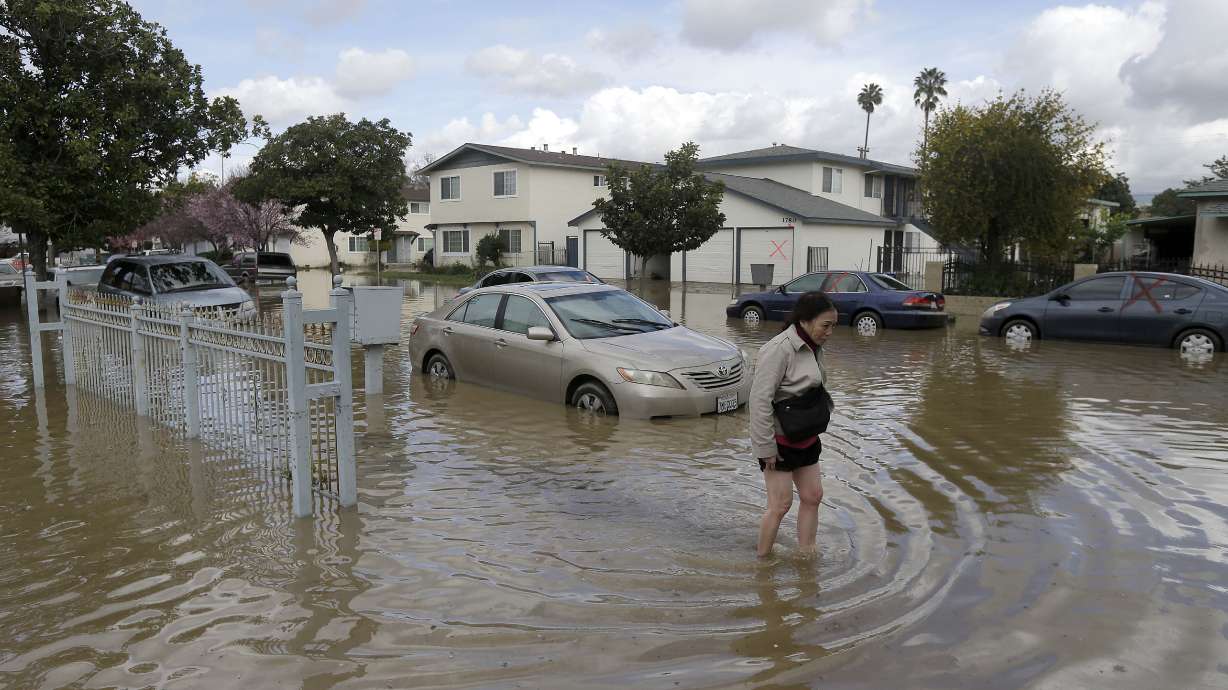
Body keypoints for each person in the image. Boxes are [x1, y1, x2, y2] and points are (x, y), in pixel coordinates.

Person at [749, 291, 838, 558]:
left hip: (806, 437)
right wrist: (765, 448)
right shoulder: (778, 349)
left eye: (833, 325)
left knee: (813, 496)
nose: (830, 332)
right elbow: (759, 401)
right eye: (825, 325)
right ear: (805, 320)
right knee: (780, 505)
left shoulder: (814, 346)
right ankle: (762, 563)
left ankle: (806, 555)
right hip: (778, 442)